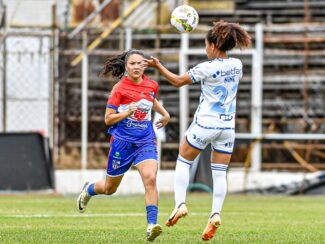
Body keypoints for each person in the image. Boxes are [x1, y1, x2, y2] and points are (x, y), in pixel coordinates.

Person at [145, 20, 251, 241]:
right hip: (227, 126)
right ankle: (215, 214)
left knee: (183, 160)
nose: (205, 49)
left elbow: (176, 81)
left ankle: (180, 204)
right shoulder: (238, 65)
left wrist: (158, 66)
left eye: (206, 45)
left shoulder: (206, 67)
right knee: (220, 173)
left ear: (213, 46)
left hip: (205, 124)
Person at [77, 49, 170, 242]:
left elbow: (150, 98)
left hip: (145, 141)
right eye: (132, 64)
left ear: (145, 64)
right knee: (110, 189)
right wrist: (126, 113)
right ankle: (90, 189)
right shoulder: (119, 89)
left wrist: (165, 113)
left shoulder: (152, 84)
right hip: (122, 144)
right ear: (126, 67)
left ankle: (151, 225)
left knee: (150, 178)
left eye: (139, 63)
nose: (136, 67)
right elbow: (108, 119)